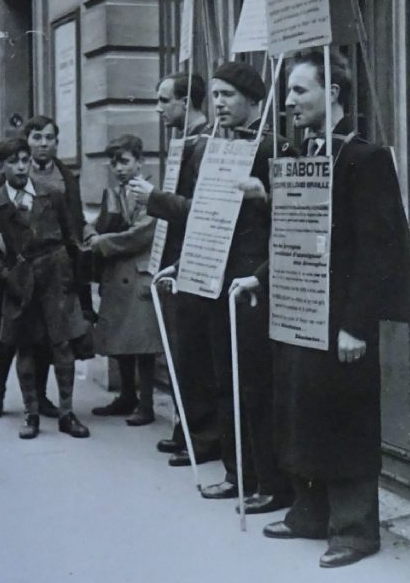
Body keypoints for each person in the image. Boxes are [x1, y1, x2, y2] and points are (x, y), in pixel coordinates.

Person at [231, 50, 410, 568]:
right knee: (302, 410)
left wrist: (357, 325)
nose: (288, 102)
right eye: (288, 92)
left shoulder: (365, 157)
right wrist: (259, 279)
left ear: (331, 92)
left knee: (345, 418)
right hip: (298, 309)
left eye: (298, 91)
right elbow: (295, 238)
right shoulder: (297, 158)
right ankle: (309, 514)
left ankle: (355, 529)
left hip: (341, 318)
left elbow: (378, 250)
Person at [130, 61, 294, 513]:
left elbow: (298, 222)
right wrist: (181, 264)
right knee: (226, 381)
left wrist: (267, 196)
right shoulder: (210, 151)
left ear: (254, 101)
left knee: (257, 384)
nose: (220, 103)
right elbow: (207, 218)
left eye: (229, 96)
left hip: (256, 281)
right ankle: (237, 474)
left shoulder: (273, 147)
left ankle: (273, 483)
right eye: (216, 94)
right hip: (215, 279)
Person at [0, 115, 94, 420]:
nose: (43, 145)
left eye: (49, 139)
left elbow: (74, 224)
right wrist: (7, 274)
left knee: (53, 337)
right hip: (15, 269)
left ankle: (43, 400)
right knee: (10, 336)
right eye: (37, 138)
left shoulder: (63, 179)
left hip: (53, 269)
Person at [147, 71, 221, 466]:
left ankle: (204, 437)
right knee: (180, 352)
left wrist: (153, 198)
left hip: (194, 260)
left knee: (193, 354)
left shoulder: (203, 145)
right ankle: (187, 429)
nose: (158, 108)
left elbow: (202, 211)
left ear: (185, 101)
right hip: (177, 260)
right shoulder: (184, 143)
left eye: (164, 100)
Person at [85, 134, 161, 426]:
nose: (118, 167)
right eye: (114, 162)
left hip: (140, 273)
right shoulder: (114, 193)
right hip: (117, 274)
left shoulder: (151, 193)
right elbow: (99, 221)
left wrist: (100, 242)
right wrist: (89, 231)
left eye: (125, 161)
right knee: (121, 340)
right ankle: (127, 396)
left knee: (143, 344)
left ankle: (146, 404)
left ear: (140, 162)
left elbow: (142, 233)